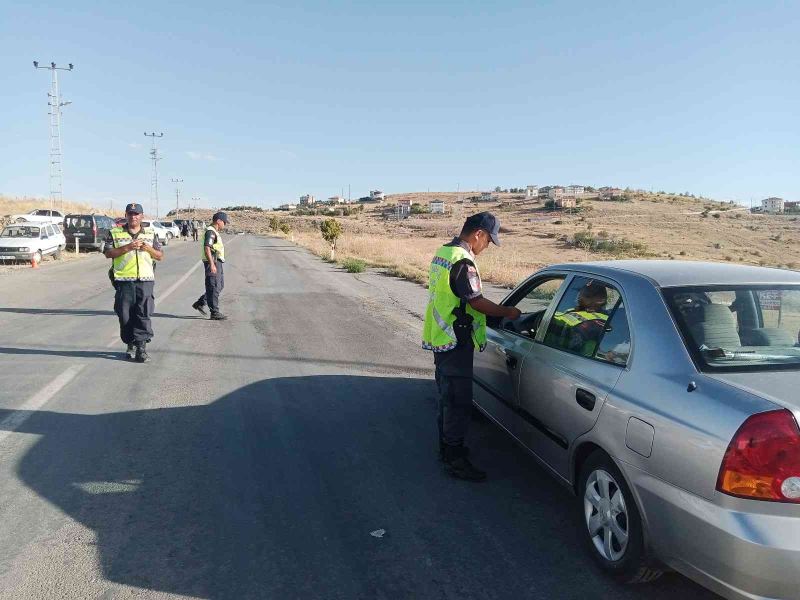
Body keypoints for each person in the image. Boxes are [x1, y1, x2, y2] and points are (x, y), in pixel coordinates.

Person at [422, 212, 521, 482]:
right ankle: (454, 459)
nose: (487, 247)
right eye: (489, 240)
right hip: (455, 340)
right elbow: (476, 302)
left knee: (446, 397)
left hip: (441, 338)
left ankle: (447, 448)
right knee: (457, 402)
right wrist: (507, 312)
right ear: (478, 233)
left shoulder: (444, 252)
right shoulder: (463, 262)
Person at [104, 203, 164, 363]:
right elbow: (108, 253)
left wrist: (148, 249)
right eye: (130, 214)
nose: (133, 217)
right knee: (124, 316)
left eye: (136, 214)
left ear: (142, 216)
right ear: (126, 215)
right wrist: (128, 247)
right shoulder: (115, 232)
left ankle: (141, 348)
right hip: (124, 281)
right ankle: (130, 342)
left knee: (143, 314)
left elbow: (159, 255)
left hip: (145, 280)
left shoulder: (151, 233)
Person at [546, 281, 609, 357]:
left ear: (599, 300)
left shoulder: (589, 324)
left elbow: (572, 350)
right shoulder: (610, 317)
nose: (579, 296)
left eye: (585, 295)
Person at [191, 212, 228, 320]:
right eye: (224, 222)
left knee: (219, 286)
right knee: (214, 286)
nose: (224, 225)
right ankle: (214, 312)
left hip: (218, 261)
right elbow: (207, 247)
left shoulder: (214, 232)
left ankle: (201, 302)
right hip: (213, 261)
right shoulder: (211, 232)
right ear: (218, 221)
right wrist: (212, 264)